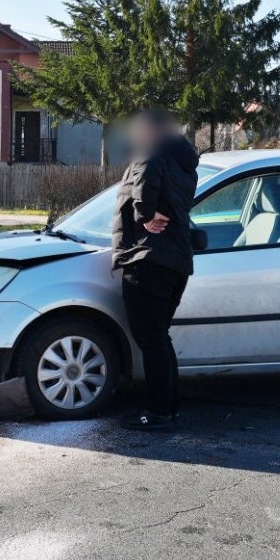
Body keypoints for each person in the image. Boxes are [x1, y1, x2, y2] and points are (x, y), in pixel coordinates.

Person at [111, 109, 199, 431]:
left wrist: (145, 214)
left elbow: (144, 186)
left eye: (138, 128)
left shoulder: (152, 154)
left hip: (148, 258)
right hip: (175, 260)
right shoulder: (183, 161)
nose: (135, 135)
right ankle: (168, 408)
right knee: (158, 338)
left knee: (151, 338)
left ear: (152, 130)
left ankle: (158, 412)